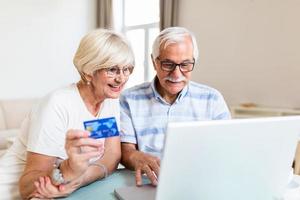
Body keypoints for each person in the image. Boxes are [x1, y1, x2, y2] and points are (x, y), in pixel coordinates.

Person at [0, 29, 135, 199]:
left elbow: (111, 155)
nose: (121, 79)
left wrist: (82, 177)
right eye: (112, 69)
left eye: (127, 69)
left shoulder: (108, 100)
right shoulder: (57, 105)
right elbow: (27, 187)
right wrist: (68, 170)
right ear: (88, 71)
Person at [120, 27, 231, 186]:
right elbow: (126, 150)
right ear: (154, 61)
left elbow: (226, 149)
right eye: (168, 64)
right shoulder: (129, 99)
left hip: (200, 183)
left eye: (185, 64)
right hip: (148, 183)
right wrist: (135, 156)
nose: (176, 74)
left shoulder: (212, 99)